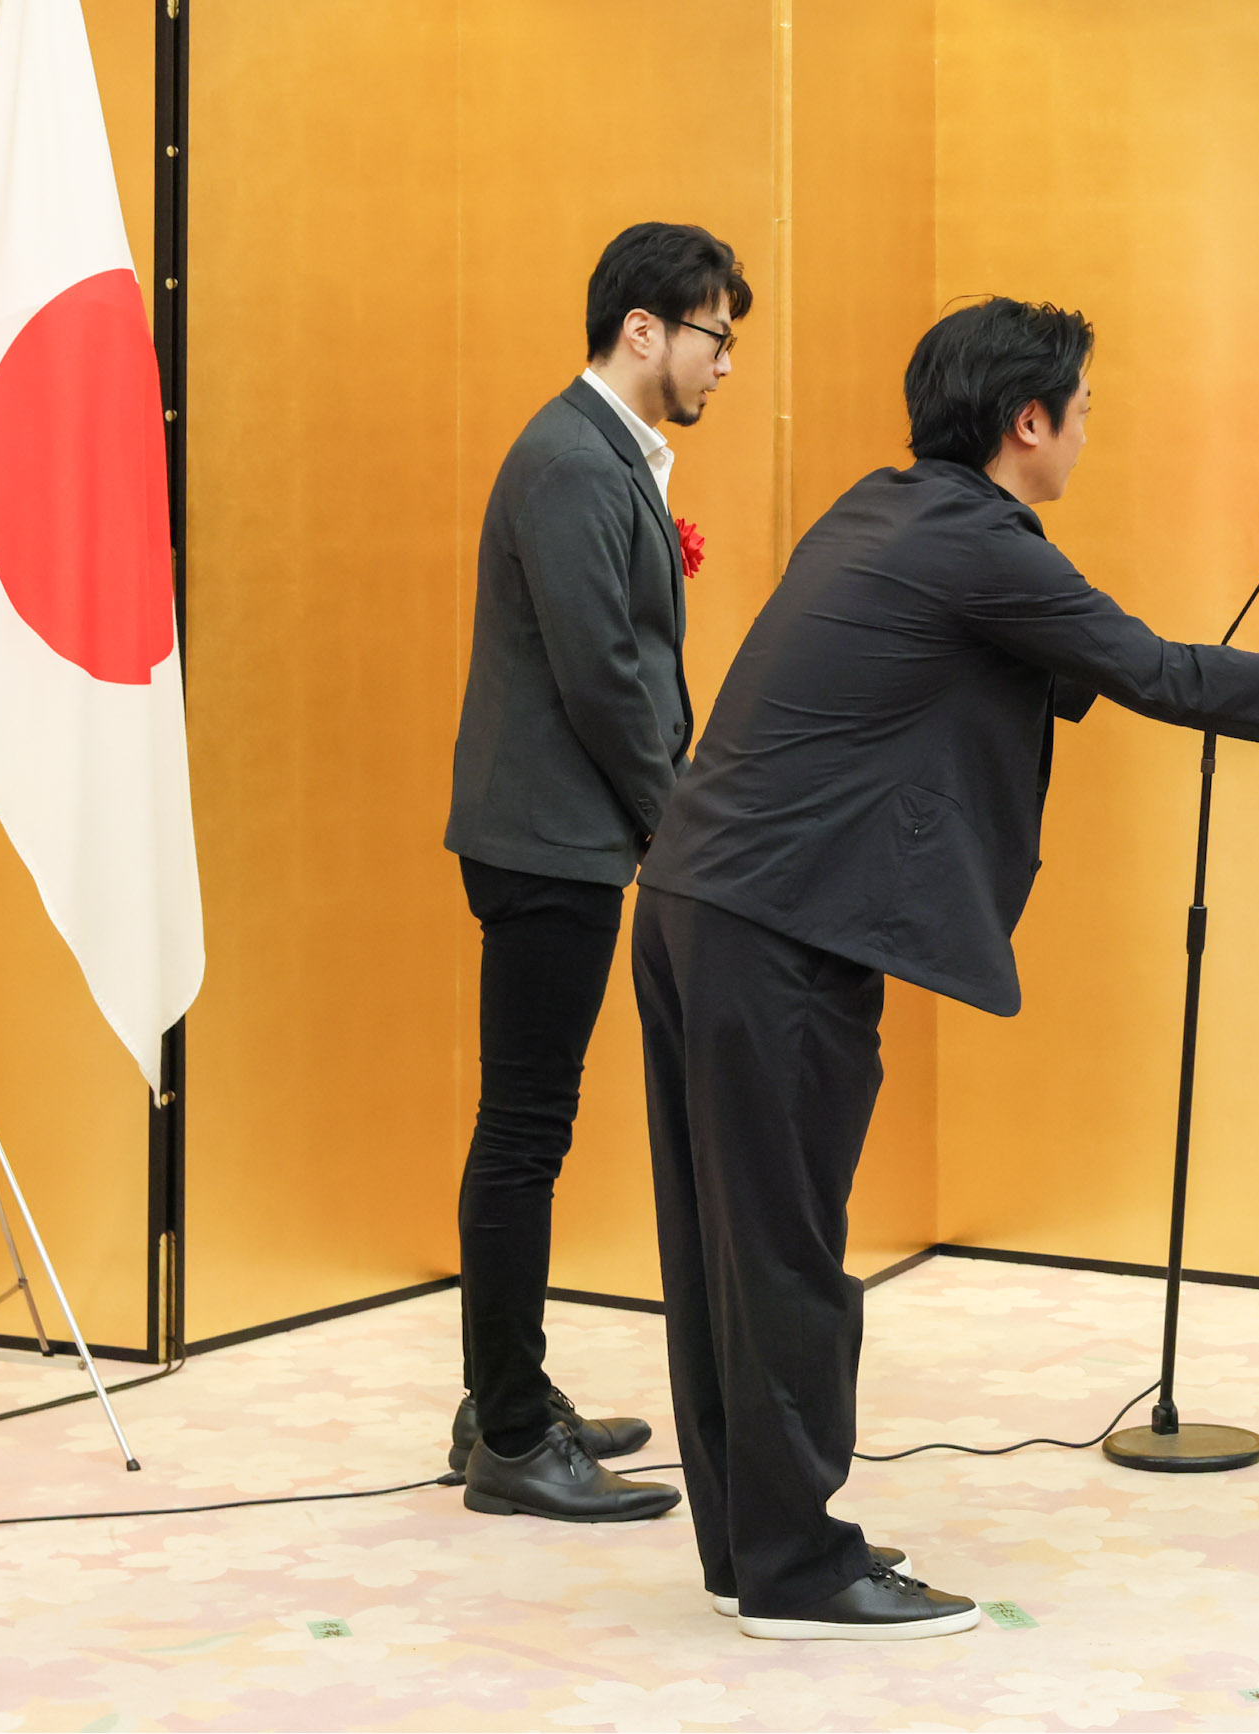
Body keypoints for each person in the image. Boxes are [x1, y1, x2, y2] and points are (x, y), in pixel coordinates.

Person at [632, 297, 1259, 1638]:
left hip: (699, 903)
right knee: (788, 1253)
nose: (1090, 431)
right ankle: (800, 1572)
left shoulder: (889, 511)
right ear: (1026, 420)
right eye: (1084, 408)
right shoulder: (980, 543)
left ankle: (750, 1544)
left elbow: (1050, 670)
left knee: (732, 1249)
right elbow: (1149, 666)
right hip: (777, 931)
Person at [440, 222, 749, 1523]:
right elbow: (604, 676)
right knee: (524, 1133)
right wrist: (676, 822)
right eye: (715, 336)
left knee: (531, 1127)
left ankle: (503, 1392)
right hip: (546, 843)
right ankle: (510, 1432)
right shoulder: (574, 459)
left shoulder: (605, 451)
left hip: (564, 835)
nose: (726, 363)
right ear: (645, 330)